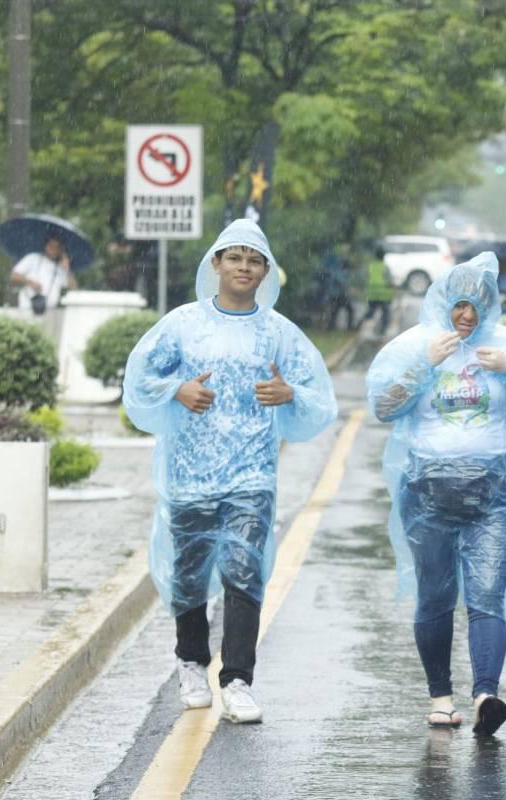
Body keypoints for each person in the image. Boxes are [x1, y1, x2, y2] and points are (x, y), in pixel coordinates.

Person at [123, 219, 337, 724]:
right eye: (234, 257)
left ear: (266, 271)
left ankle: (238, 679)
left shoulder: (279, 332)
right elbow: (140, 377)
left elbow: (317, 395)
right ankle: (191, 662)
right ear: (215, 264)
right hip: (189, 473)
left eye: (254, 260)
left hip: (252, 475)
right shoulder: (181, 325)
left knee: (245, 573)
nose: (244, 267)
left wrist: (290, 395)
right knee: (190, 575)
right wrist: (177, 390)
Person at [366, 252, 506, 736]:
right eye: (459, 304)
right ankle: (440, 696)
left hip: (495, 495)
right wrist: (423, 365)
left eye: (477, 305)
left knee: (487, 597)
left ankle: (486, 694)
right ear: (442, 301)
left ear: (491, 307)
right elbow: (383, 407)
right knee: (434, 598)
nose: (467, 315)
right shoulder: (414, 344)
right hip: (427, 494)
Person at [10, 233, 78, 314]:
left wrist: (68, 269)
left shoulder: (61, 269)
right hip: (27, 308)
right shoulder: (33, 258)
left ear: (61, 250)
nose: (54, 249)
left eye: (57, 247)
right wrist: (30, 282)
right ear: (45, 246)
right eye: (51, 246)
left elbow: (74, 289)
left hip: (50, 312)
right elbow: (14, 276)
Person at [362, 243, 394, 336]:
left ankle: (359, 326)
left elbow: (365, 278)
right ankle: (382, 330)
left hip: (372, 293)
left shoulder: (371, 266)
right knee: (385, 313)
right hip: (383, 294)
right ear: (383, 256)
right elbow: (389, 280)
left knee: (371, 311)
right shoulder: (385, 267)